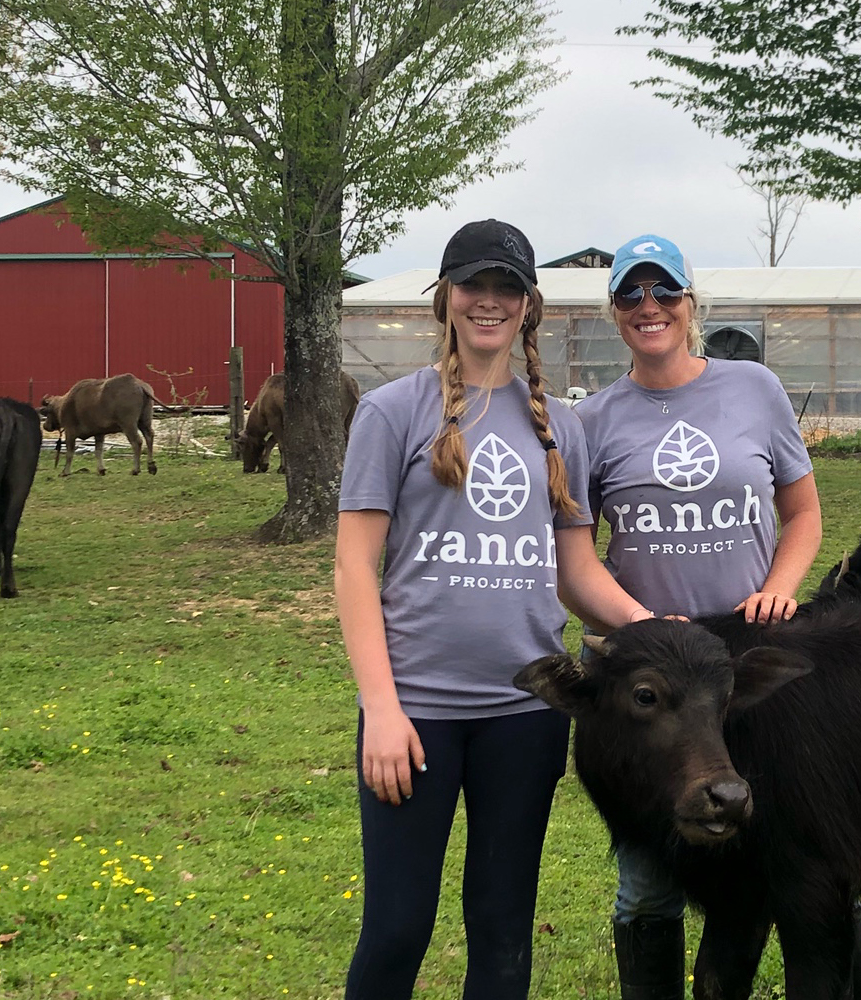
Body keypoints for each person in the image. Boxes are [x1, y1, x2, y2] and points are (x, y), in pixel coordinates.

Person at [335, 219, 653, 1000]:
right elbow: (352, 568)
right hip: (416, 718)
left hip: (528, 715)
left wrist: (655, 632)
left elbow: (576, 572)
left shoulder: (561, 429)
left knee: (504, 926)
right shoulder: (391, 412)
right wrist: (381, 708)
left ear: (528, 305)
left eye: (506, 288)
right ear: (445, 297)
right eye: (473, 285)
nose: (489, 302)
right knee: (398, 928)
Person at [574, 234, 861, 1000]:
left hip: (749, 672)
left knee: (800, 850)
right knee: (651, 884)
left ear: (692, 304)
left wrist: (785, 585)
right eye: (632, 295)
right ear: (615, 312)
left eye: (665, 293)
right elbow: (574, 556)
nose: (650, 308)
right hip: (651, 685)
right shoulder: (591, 421)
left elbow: (805, 512)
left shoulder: (754, 389)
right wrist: (646, 627)